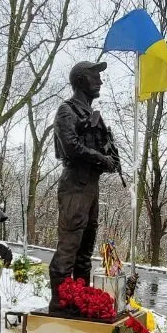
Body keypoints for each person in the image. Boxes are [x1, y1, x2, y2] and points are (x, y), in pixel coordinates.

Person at [48, 60, 121, 311]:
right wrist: (102, 158)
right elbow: (71, 147)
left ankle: (79, 300)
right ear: (80, 81)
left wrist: (110, 160)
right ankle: (60, 304)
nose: (100, 81)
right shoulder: (67, 111)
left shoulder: (93, 117)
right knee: (69, 244)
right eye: (94, 76)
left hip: (91, 186)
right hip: (74, 184)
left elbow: (102, 151)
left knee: (85, 249)